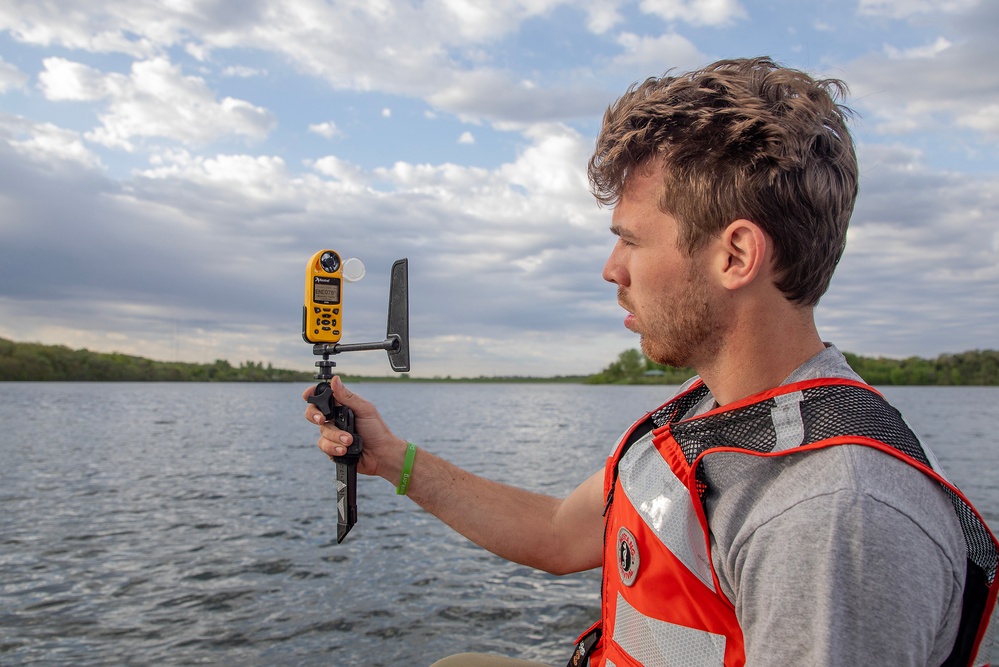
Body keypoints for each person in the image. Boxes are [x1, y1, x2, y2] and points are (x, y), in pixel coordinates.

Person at [304, 57, 997, 667]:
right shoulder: (701, 416)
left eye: (631, 241)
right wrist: (391, 457)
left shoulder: (830, 512)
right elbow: (554, 533)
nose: (612, 270)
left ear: (734, 255)